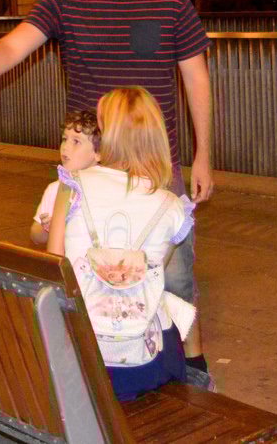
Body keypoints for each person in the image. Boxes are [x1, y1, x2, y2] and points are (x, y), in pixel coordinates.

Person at [0, 0, 217, 388]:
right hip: (88, 166)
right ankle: (98, 362)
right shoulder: (64, 1)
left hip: (154, 165)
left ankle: (192, 364)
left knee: (174, 275)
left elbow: (196, 80)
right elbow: (13, 45)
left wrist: (203, 156)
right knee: (82, 269)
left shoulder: (171, 3)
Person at [47, 87, 193, 400]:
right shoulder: (172, 207)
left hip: (79, 359)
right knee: (169, 310)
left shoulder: (73, 185)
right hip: (145, 365)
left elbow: (53, 265)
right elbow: (156, 275)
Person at [30, 110, 100, 246]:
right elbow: (35, 235)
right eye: (64, 139)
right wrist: (47, 228)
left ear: (98, 153)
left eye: (76, 141)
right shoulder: (55, 189)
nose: (65, 147)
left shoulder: (106, 187)